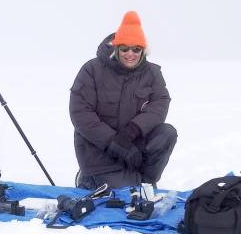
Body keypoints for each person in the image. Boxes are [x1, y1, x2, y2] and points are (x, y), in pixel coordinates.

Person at [70, 11, 177, 189]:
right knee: (126, 193)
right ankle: (87, 179)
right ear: (116, 49)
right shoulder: (91, 70)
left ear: (143, 51)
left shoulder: (152, 73)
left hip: (133, 146)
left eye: (136, 49)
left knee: (167, 133)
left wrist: (132, 131)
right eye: (124, 48)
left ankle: (145, 181)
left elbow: (160, 103)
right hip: (99, 152)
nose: (130, 54)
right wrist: (113, 142)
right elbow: (81, 113)